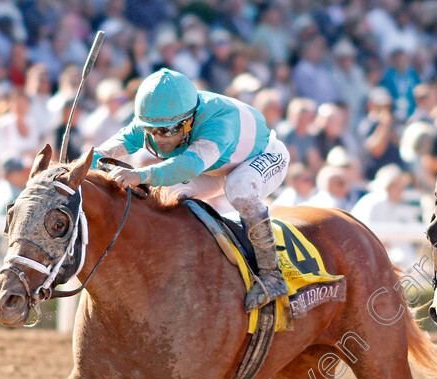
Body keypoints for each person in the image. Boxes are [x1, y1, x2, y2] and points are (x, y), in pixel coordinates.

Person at [93, 68, 290, 312]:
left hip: (264, 157)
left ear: (190, 119)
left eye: (167, 131)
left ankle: (272, 276)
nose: (158, 138)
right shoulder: (155, 118)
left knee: (238, 188)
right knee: (169, 198)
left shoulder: (219, 122)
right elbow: (102, 153)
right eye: (150, 131)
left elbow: (189, 165)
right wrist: (67, 170)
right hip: (214, 166)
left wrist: (139, 175)